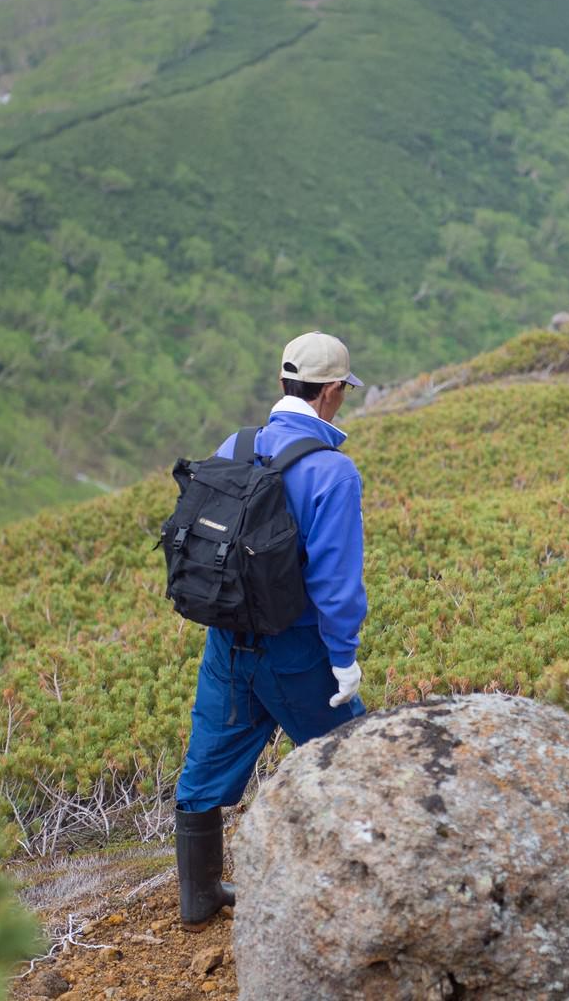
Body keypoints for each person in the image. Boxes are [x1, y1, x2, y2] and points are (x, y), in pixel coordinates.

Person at [173, 331, 368, 928]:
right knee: (356, 760)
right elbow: (335, 583)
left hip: (227, 642)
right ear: (332, 390)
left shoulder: (234, 444)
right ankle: (357, 890)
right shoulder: (332, 472)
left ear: (284, 383)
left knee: (204, 770)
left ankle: (199, 896)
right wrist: (344, 657)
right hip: (296, 651)